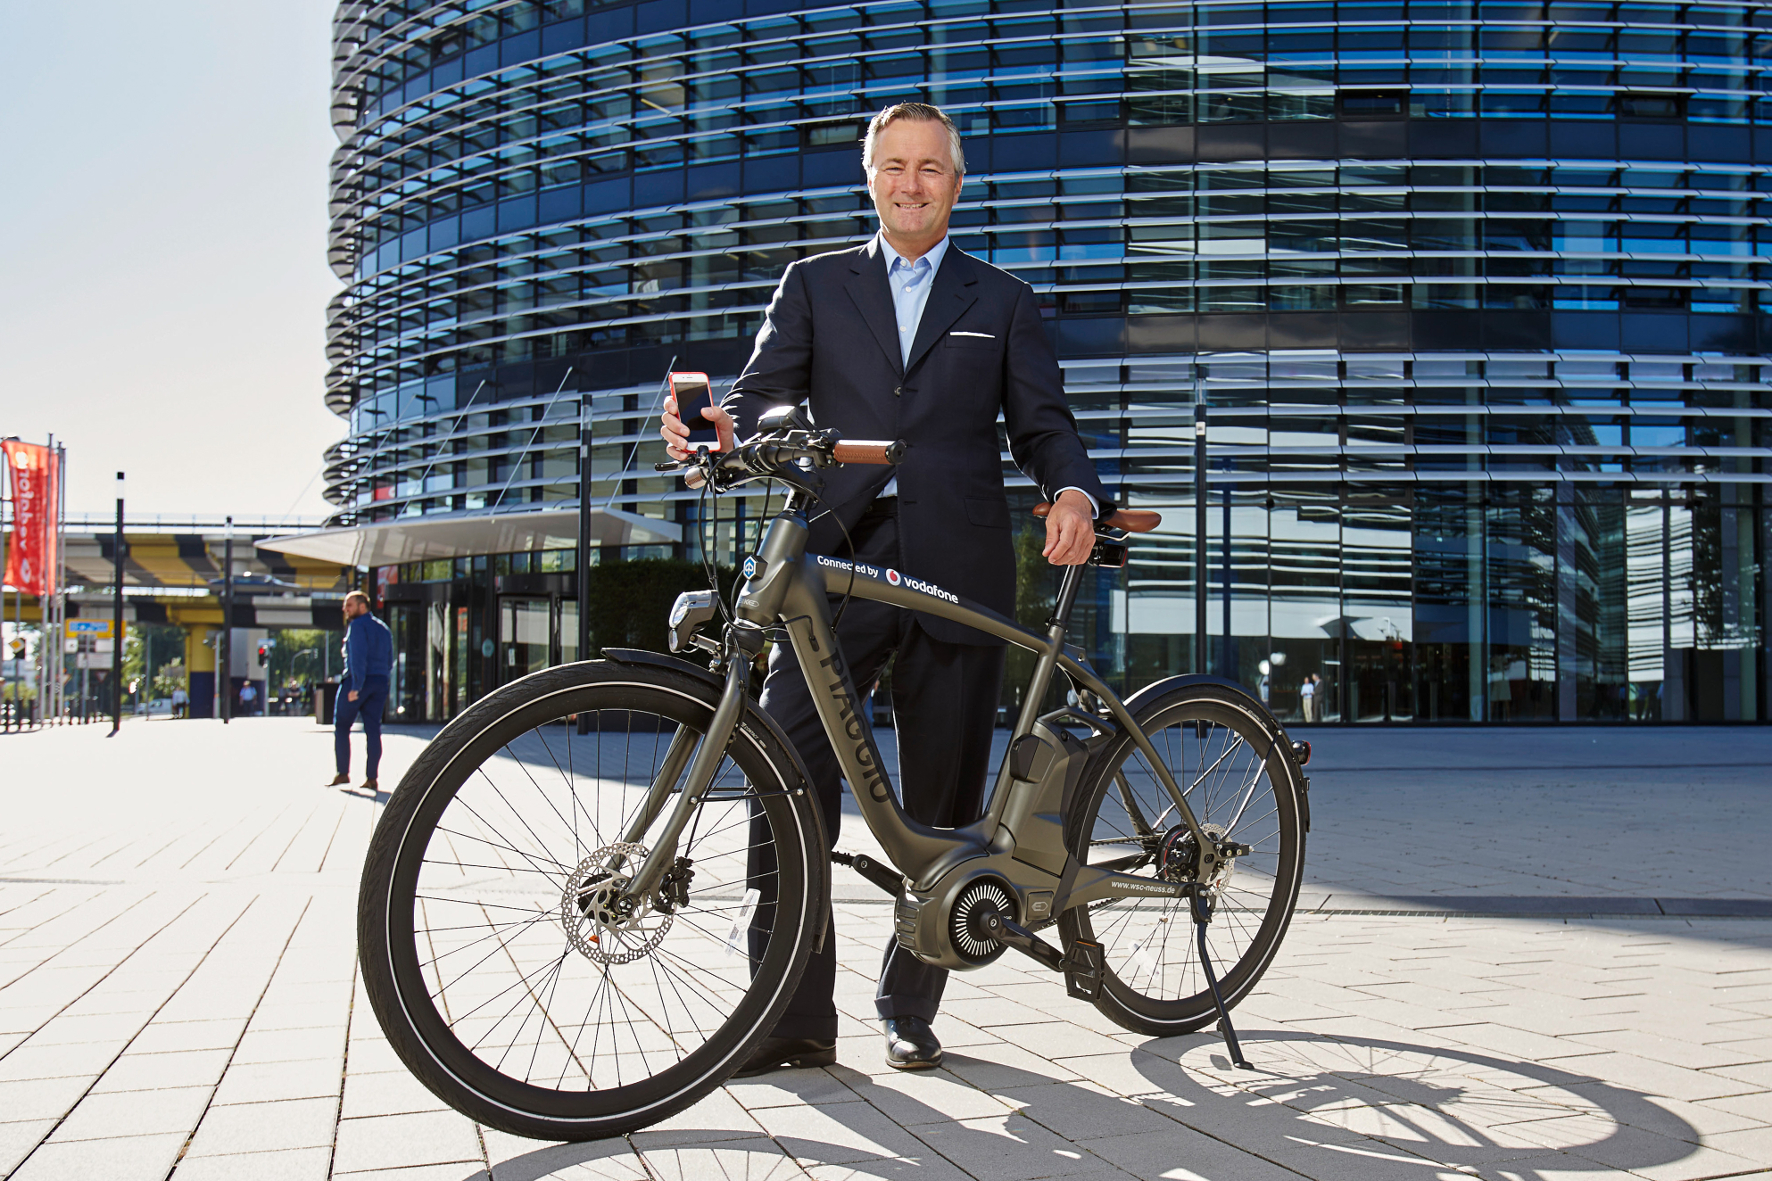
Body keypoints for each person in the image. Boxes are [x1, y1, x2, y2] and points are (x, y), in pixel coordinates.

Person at [659, 102, 1108, 1076]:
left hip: (958, 561)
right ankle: (787, 1013)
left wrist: (1071, 488)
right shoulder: (816, 284)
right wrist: (719, 434)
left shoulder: (1001, 299)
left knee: (939, 792)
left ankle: (911, 1000)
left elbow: (1042, 423)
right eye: (893, 166)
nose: (910, 183)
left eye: (930, 168)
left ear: (955, 181)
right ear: (871, 178)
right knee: (785, 771)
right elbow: (757, 393)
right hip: (832, 558)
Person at [327, 592, 393, 792]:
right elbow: (390, 660)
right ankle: (372, 778)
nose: (345, 609)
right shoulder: (383, 628)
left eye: (349, 605)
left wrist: (356, 687)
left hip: (358, 682)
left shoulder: (356, 626)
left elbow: (357, 657)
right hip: (380, 681)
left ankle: (342, 773)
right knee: (373, 729)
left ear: (362, 606)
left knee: (342, 726)